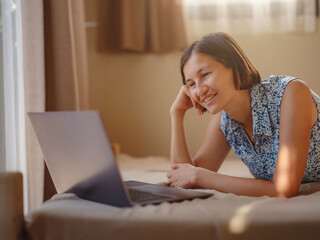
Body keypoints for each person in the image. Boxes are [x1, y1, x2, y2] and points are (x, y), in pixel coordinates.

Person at [167, 32, 320, 198]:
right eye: (191, 84)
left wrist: (200, 176)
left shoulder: (291, 92)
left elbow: (283, 189)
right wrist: (177, 113)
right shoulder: (224, 119)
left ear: (234, 67)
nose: (199, 90)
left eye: (205, 75)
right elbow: (183, 176)